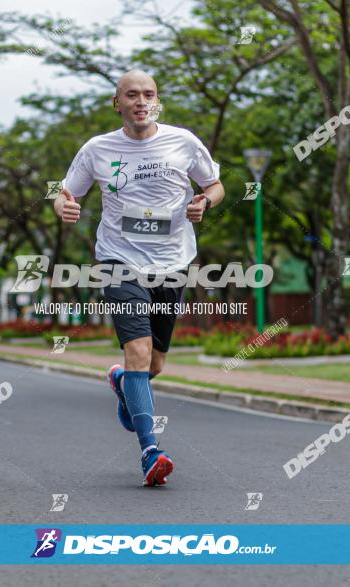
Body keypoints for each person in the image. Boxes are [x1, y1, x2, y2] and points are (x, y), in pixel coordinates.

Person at [55, 70, 224, 486]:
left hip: (173, 261)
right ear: (118, 103)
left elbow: (215, 184)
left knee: (156, 362)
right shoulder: (97, 149)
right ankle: (151, 451)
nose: (141, 101)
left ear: (158, 101)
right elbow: (67, 192)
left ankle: (121, 382)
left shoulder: (183, 142)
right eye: (131, 95)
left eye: (149, 94)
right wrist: (63, 206)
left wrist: (205, 201)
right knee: (138, 350)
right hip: (119, 260)